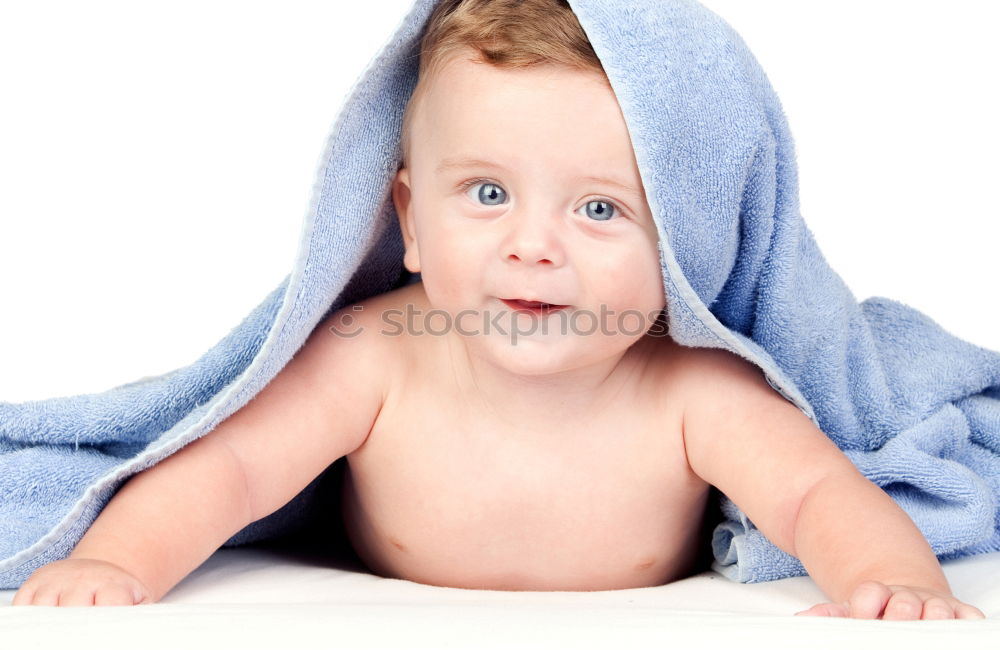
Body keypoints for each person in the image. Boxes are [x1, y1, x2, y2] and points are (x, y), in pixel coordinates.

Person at [11, 0, 987, 619]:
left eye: (600, 208)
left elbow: (821, 497)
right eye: (485, 193)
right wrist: (115, 560)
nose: (533, 245)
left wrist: (895, 583)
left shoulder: (694, 392)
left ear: (688, 244)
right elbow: (225, 468)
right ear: (408, 218)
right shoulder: (373, 357)